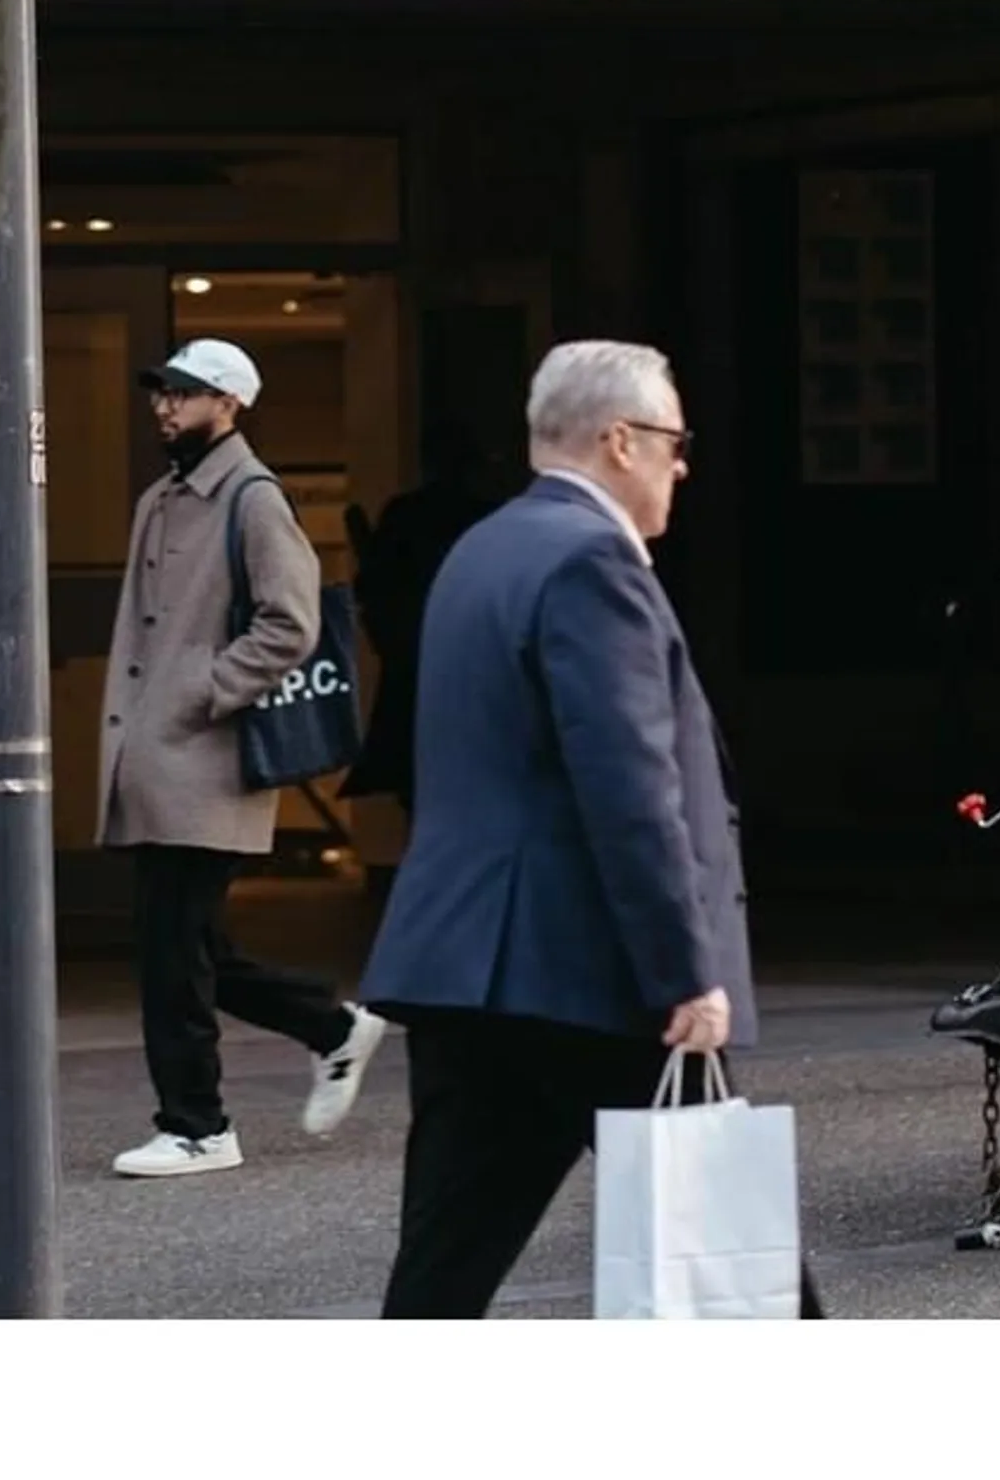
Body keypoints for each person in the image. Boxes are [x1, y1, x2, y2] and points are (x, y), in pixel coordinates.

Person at [363, 339, 820, 1319]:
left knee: (440, 1274)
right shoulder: (590, 562)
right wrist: (683, 970)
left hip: (465, 968)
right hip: (592, 974)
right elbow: (627, 785)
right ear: (620, 440)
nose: (682, 464)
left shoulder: (480, 551)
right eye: (673, 440)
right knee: (742, 1283)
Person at [95, 336, 391, 1180]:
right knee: (188, 947)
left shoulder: (252, 499)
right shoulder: (163, 497)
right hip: (159, 758)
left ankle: (197, 1124)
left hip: (205, 761)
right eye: (162, 392)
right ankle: (332, 1028)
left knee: (174, 955)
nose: (165, 406)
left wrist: (202, 690)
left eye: (184, 394)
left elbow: (291, 624)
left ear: (229, 405)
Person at [341, 413, 497, 820]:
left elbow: (375, 585)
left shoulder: (412, 515)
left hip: (422, 667)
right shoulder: (482, 518)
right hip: (466, 670)